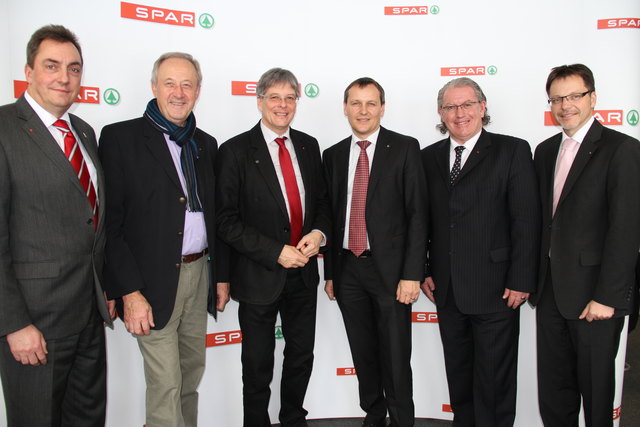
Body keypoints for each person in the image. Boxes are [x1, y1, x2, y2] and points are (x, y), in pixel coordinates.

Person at [99, 52, 229, 427]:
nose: (178, 92)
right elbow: (112, 226)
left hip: (198, 274)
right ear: (154, 86)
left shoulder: (205, 143)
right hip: (149, 282)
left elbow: (213, 217)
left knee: (190, 378)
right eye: (170, 83)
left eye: (187, 84)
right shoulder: (120, 138)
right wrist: (128, 291)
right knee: (166, 385)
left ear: (198, 91)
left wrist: (219, 277)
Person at [0, 24, 114, 426]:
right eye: (52, 66)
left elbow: (92, 221)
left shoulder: (83, 131)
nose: (64, 78)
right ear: (29, 71)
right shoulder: (3, 130)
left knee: (86, 419)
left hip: (87, 316)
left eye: (74, 68)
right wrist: (14, 323)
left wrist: (104, 290)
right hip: (35, 324)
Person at [420, 77, 540, 427]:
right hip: (447, 288)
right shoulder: (428, 158)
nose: (460, 114)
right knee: (459, 376)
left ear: (483, 108)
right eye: (451, 107)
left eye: (467, 104)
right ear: (441, 113)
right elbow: (423, 222)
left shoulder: (512, 150)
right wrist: (425, 268)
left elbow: (526, 220)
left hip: (498, 288)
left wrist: (521, 279)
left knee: (494, 382)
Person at [215, 67, 330, 427]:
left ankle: (294, 418)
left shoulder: (310, 146)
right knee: (257, 363)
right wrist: (274, 250)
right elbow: (225, 220)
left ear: (298, 101)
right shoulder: (234, 150)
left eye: (290, 97)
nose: (283, 105)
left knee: (300, 357)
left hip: (303, 276)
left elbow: (324, 204)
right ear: (259, 100)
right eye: (275, 97)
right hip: (258, 276)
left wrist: (319, 234)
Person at [531, 63, 640, 427]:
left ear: (593, 98)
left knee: (596, 400)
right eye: (557, 98)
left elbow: (626, 230)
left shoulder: (621, 150)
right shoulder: (545, 151)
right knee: (555, 395)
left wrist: (607, 296)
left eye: (575, 96)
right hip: (549, 296)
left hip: (595, 298)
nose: (566, 105)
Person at [323, 77, 427, 427]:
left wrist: (412, 273)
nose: (363, 111)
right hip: (348, 269)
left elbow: (417, 215)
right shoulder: (333, 154)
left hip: (392, 272)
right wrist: (332, 275)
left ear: (382, 108)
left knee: (396, 355)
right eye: (356, 103)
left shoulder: (405, 148)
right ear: (345, 108)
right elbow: (331, 214)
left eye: (371, 103)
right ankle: (373, 412)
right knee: (363, 351)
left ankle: (401, 420)